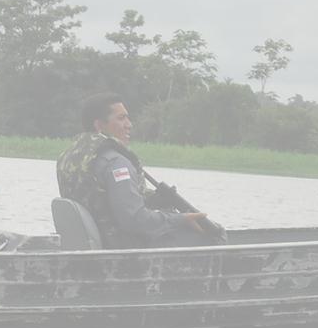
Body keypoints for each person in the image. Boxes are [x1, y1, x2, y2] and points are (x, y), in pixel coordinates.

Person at [56, 92, 215, 248]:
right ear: (99, 126)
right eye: (121, 118)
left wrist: (153, 200)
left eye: (127, 117)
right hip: (122, 246)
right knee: (211, 238)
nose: (129, 124)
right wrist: (180, 219)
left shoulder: (69, 157)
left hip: (97, 242)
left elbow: (103, 201)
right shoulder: (116, 163)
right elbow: (134, 219)